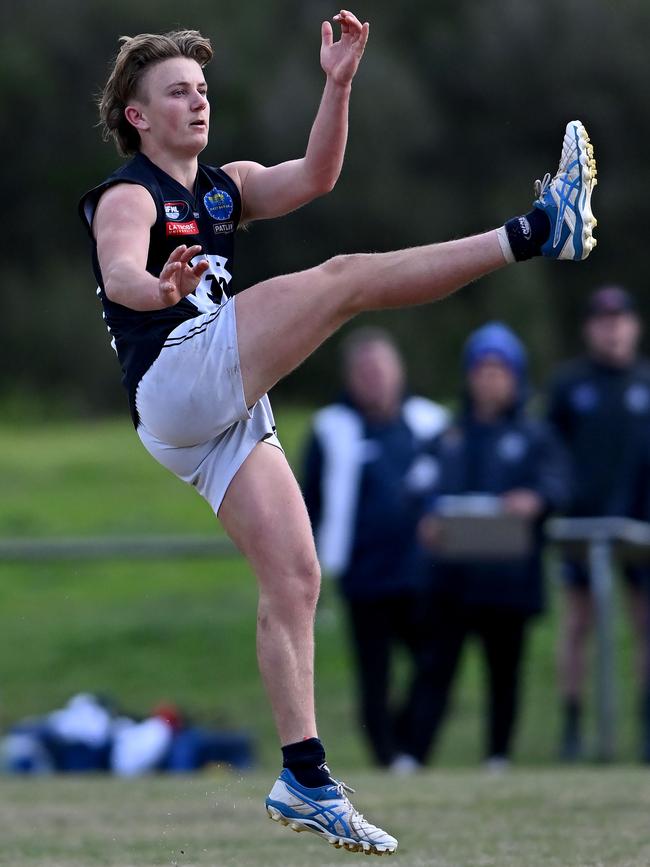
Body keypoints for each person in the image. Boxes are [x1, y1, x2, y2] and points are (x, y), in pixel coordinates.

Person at [78, 9, 597, 855]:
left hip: (207, 412)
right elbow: (121, 273)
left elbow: (316, 176)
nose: (197, 102)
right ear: (137, 115)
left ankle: (304, 774)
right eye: (178, 92)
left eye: (203, 89)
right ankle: (537, 229)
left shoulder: (223, 187)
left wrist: (339, 84)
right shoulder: (131, 193)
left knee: (296, 575)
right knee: (346, 279)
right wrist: (158, 290)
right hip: (176, 374)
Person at [415, 323, 571, 770]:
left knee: (504, 672)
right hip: (452, 578)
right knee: (436, 669)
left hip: (508, 580)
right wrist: (427, 518)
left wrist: (535, 500)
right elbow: (420, 488)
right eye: (481, 369)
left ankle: (498, 755)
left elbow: (558, 484)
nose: (489, 378)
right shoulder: (450, 435)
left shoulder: (534, 436)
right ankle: (415, 756)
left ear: (516, 376)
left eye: (499, 370)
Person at [302, 327, 449, 772]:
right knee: (374, 674)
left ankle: (413, 746)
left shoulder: (430, 423)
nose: (375, 380)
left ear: (399, 371)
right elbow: (309, 501)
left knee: (436, 661)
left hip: (425, 572)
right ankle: (387, 757)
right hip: (364, 573)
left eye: (382, 370)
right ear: (350, 378)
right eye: (364, 373)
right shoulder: (332, 428)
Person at [547, 286, 650, 762]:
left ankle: (644, 725)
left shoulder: (646, 382)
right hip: (583, 526)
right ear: (590, 329)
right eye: (603, 321)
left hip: (641, 524)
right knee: (577, 625)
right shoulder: (570, 386)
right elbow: (549, 452)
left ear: (634, 326)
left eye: (621, 319)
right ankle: (572, 725)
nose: (612, 329)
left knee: (644, 623)